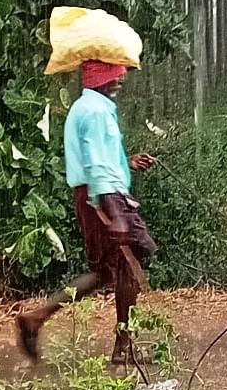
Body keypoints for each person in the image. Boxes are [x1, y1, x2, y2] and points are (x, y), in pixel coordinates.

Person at [16, 59, 159, 365]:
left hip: (101, 194)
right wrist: (113, 211)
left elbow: (100, 156)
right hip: (102, 197)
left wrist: (126, 162)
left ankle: (37, 318)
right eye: (113, 71)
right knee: (124, 268)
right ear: (97, 75)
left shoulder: (92, 106)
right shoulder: (93, 111)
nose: (120, 77)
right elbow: (94, 164)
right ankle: (124, 346)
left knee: (108, 271)